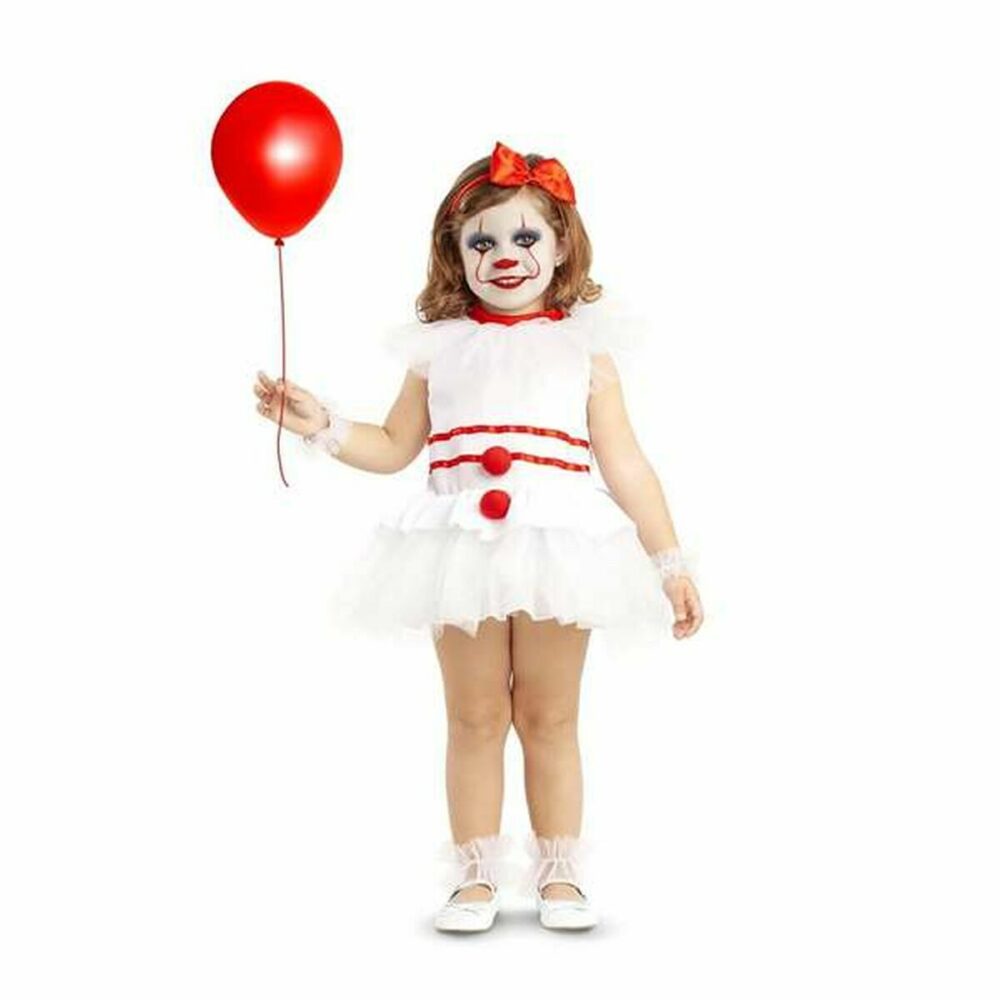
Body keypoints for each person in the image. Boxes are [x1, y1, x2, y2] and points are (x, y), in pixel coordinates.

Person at [253, 141, 704, 932]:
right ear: (455, 255)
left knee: (550, 716)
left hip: (560, 545)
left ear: (560, 245)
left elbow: (626, 461)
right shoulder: (439, 349)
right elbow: (394, 445)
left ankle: (559, 876)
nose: (504, 255)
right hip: (461, 545)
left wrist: (669, 561)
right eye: (481, 241)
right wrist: (322, 425)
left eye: (525, 237)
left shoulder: (585, 348)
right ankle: (475, 879)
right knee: (474, 718)